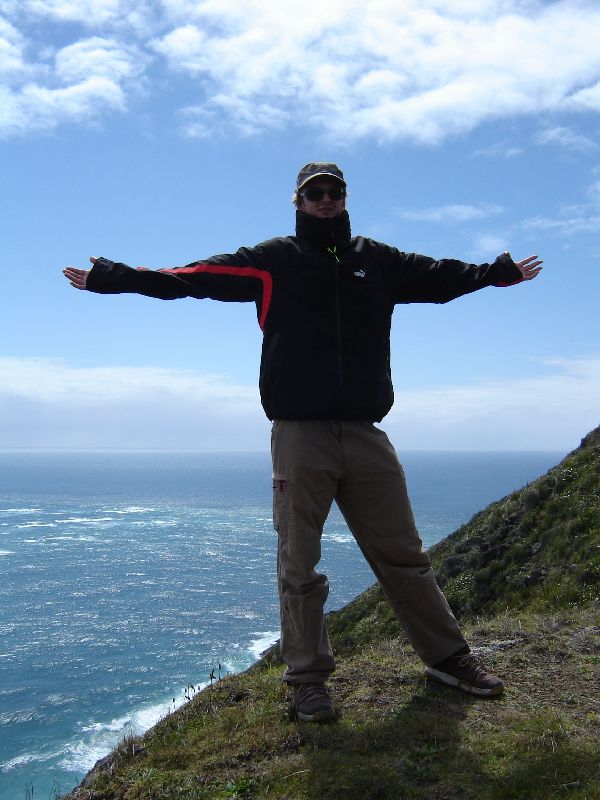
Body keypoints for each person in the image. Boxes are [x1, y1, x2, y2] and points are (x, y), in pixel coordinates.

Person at [63, 161, 542, 723]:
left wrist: (497, 273)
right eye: (315, 193)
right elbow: (191, 278)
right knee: (300, 564)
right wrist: (115, 277)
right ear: (299, 201)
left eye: (334, 191)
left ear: (345, 198)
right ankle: (308, 682)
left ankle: (447, 659)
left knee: (405, 556)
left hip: (366, 433)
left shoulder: (377, 260)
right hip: (299, 435)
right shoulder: (274, 260)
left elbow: (440, 276)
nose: (326, 199)